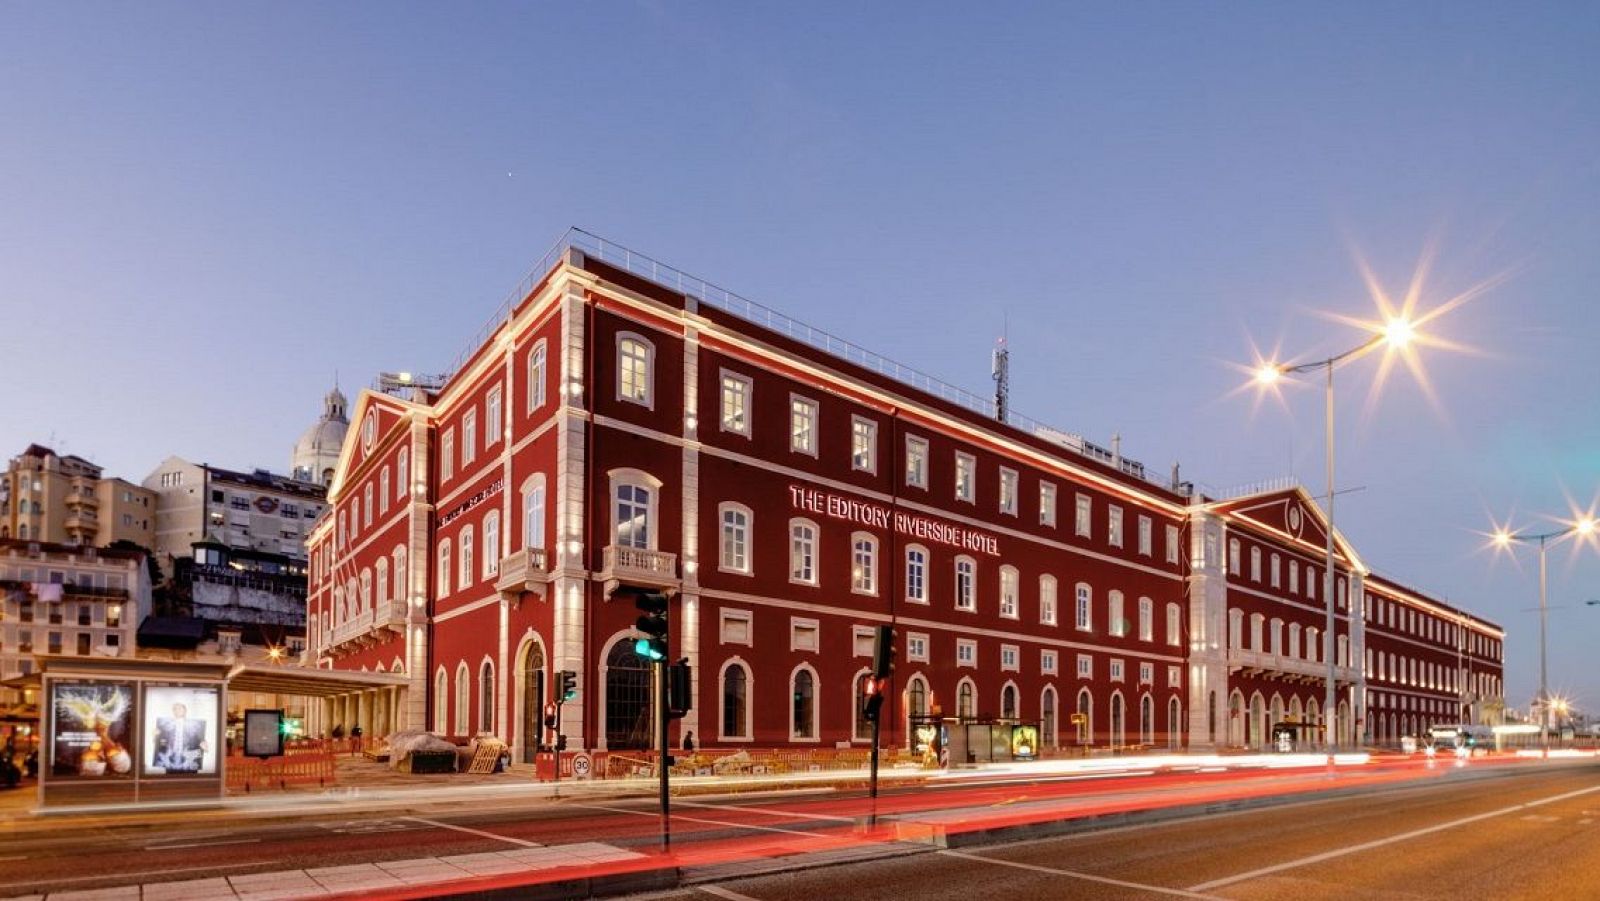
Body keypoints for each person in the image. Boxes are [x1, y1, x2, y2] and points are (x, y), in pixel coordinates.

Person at [153, 702, 209, 773]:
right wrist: (155, 737)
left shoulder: (195, 726)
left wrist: (205, 747)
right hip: (170, 765)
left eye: (179, 708)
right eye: (175, 709)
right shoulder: (164, 727)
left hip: (189, 765)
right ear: (173, 712)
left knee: (190, 783)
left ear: (185, 711)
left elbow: (203, 746)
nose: (177, 710)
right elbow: (160, 746)